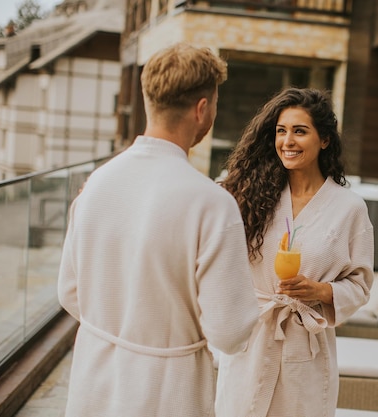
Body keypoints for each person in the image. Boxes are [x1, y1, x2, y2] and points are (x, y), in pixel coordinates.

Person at [57, 42, 259, 417]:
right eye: (214, 103)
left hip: (93, 385)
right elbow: (230, 333)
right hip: (168, 393)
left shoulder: (97, 184)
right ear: (202, 109)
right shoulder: (211, 203)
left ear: (150, 100)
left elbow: (70, 293)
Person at [215, 87, 374, 416]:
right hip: (253, 339)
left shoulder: (349, 208)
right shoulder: (249, 192)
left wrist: (319, 290)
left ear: (324, 140)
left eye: (300, 131)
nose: (287, 141)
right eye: (281, 131)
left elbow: (360, 286)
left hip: (306, 349)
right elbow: (199, 212)